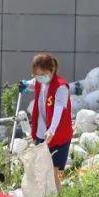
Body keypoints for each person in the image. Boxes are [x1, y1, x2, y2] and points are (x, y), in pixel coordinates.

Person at [24, 52, 73, 189]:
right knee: (42, 171)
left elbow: (58, 109)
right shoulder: (41, 81)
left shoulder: (61, 87)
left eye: (42, 74)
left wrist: (51, 130)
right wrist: (25, 85)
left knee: (54, 173)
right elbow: (33, 84)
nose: (40, 78)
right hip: (42, 133)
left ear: (52, 71)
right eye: (36, 75)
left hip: (58, 135)